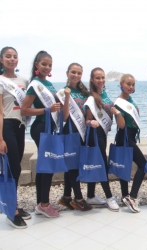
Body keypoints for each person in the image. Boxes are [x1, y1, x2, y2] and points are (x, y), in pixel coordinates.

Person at [21, 51, 61, 218]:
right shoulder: (34, 85)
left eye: (50, 65)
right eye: (44, 64)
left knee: (45, 166)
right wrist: (47, 109)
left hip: (49, 127)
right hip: (40, 128)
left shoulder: (48, 84)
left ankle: (41, 203)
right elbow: (24, 109)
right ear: (36, 64)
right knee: (47, 166)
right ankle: (44, 204)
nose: (47, 67)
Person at [0, 46, 31, 228]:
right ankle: (12, 211)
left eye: (15, 57)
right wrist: (0, 139)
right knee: (13, 169)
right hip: (7, 126)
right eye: (8, 56)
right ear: (1, 60)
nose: (12, 59)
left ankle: (13, 204)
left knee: (16, 168)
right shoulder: (1, 81)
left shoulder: (24, 81)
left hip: (20, 127)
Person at [57, 63, 92, 211]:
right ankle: (78, 198)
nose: (76, 75)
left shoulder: (84, 92)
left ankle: (66, 197)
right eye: (73, 72)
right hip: (69, 132)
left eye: (79, 73)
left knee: (72, 165)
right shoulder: (62, 92)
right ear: (67, 73)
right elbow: (64, 117)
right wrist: (66, 96)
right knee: (73, 166)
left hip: (82, 132)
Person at [84, 67, 119, 212]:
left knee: (96, 163)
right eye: (97, 78)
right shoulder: (91, 97)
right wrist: (91, 122)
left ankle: (91, 196)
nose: (101, 80)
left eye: (102, 77)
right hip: (94, 135)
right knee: (102, 165)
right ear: (92, 80)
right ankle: (109, 197)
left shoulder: (104, 94)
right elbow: (86, 120)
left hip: (103, 134)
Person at [111, 74, 145, 213]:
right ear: (121, 84)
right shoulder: (118, 103)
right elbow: (122, 125)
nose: (131, 87)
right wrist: (118, 114)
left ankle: (125, 196)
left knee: (125, 166)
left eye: (133, 84)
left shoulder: (130, 100)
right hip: (124, 136)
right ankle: (132, 196)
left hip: (129, 136)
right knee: (143, 165)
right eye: (128, 84)